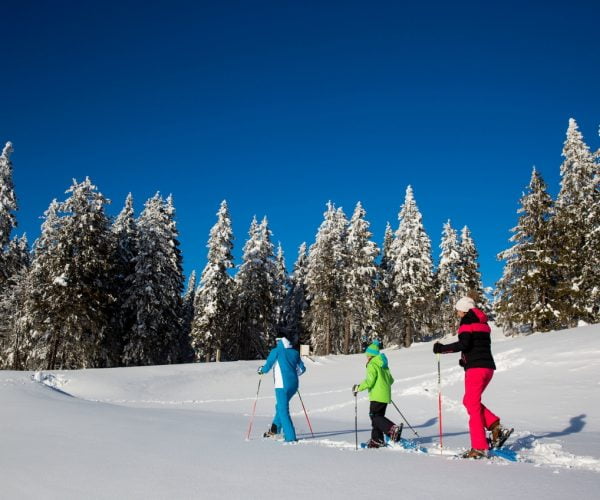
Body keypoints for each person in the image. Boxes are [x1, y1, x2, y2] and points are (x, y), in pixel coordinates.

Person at [433, 296, 513, 459]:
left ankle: (479, 447)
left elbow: (464, 344)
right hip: (487, 368)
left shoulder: (466, 322)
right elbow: (477, 346)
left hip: (476, 369)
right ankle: (495, 426)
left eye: (458, 310)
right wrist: (465, 360)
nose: (457, 313)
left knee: (472, 405)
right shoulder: (483, 323)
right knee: (469, 401)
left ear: (463, 309)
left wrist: (442, 348)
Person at [352, 340, 402, 448]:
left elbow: (370, 381)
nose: (367, 358)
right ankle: (377, 440)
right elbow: (391, 380)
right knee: (377, 418)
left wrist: (358, 388)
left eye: (368, 355)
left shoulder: (372, 364)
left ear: (371, 355)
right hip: (384, 395)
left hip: (377, 395)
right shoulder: (383, 364)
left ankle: (392, 429)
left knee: (374, 417)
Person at [258, 337, 306, 442]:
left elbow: (267, 366)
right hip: (294, 385)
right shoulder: (294, 352)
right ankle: (275, 429)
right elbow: (302, 369)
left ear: (278, 341)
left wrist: (261, 370)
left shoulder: (276, 351)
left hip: (281, 386)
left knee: (283, 410)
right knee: (279, 406)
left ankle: (290, 437)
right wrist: (292, 375)